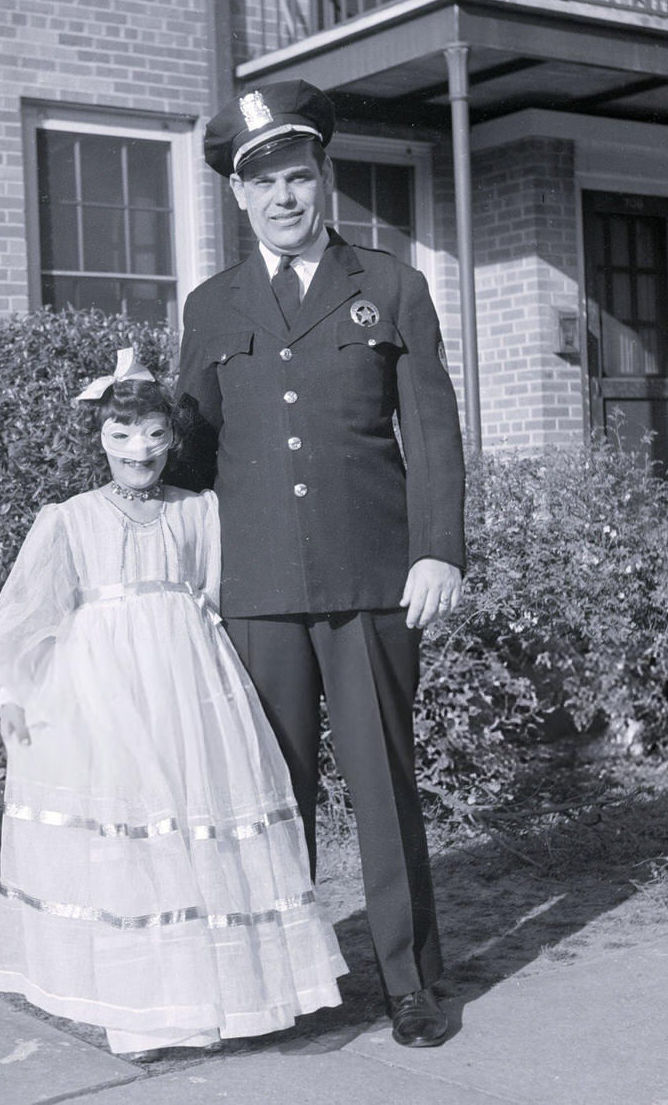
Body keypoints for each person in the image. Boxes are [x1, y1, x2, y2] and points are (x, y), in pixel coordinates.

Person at [173, 81, 466, 1049]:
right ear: (236, 195)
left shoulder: (388, 285)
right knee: (271, 795)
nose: (285, 199)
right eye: (265, 185)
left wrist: (437, 552)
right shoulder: (211, 306)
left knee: (382, 785)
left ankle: (411, 984)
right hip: (255, 588)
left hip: (372, 577)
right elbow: (194, 452)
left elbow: (430, 431)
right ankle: (287, 985)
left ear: (321, 178)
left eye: (300, 178)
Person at [0, 348, 346, 1061]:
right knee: (128, 835)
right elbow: (30, 611)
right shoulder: (70, 519)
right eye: (122, 437)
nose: (140, 452)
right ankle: (142, 1006)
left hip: (190, 686)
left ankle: (217, 994)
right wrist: (14, 692)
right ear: (100, 440)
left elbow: (214, 596)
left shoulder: (200, 512)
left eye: (154, 436)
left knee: (195, 828)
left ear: (172, 437)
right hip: (102, 691)